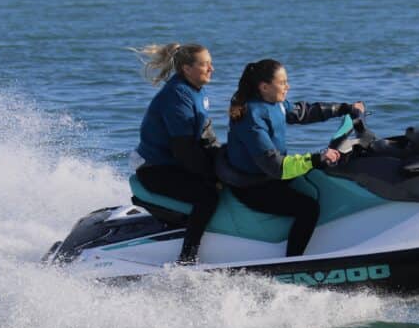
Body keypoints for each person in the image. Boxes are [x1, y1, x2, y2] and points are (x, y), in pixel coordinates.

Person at [225, 59, 364, 257]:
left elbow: (303, 112)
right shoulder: (252, 117)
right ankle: (293, 263)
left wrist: (343, 108)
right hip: (253, 186)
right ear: (264, 87)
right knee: (308, 208)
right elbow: (275, 166)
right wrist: (316, 159)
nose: (287, 86)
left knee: (322, 179)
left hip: (269, 177)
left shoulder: (275, 104)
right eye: (282, 83)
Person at [133, 42, 220, 265]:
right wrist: (216, 176)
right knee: (209, 195)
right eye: (205, 65)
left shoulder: (197, 90)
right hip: (156, 170)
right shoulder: (177, 96)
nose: (212, 68)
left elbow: (207, 136)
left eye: (211, 63)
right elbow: (184, 151)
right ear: (186, 69)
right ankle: (187, 258)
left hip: (175, 163)